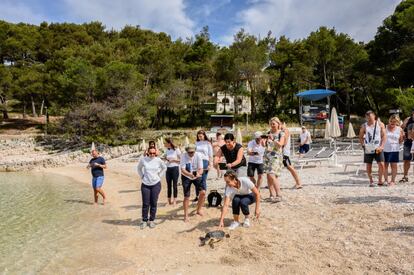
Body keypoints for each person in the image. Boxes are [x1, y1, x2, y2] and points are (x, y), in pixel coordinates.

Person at [137, 147, 167, 229]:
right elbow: (139, 168)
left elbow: (164, 168)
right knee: (146, 203)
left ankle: (152, 220)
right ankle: (144, 220)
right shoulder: (143, 160)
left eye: (154, 153)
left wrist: (159, 176)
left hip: (156, 184)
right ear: (148, 153)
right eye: (151, 153)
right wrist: (142, 176)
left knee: (154, 203)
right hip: (145, 184)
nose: (152, 155)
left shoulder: (158, 160)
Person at [359, 110, 386, 187]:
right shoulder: (364, 126)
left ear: (374, 116)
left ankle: (380, 180)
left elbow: (384, 136)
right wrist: (363, 145)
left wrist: (382, 146)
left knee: (381, 164)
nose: (369, 119)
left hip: (378, 147)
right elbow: (360, 137)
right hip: (368, 147)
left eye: (370, 117)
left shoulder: (380, 124)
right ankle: (371, 181)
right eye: (367, 118)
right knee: (368, 165)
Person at [180, 144, 205, 222]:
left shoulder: (198, 155)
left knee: (203, 193)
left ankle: (199, 210)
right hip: (186, 176)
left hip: (196, 175)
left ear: (195, 151)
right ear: (186, 151)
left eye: (192, 152)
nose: (191, 153)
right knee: (187, 196)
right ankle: (186, 215)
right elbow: (183, 169)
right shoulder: (183, 156)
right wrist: (190, 174)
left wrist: (198, 174)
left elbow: (201, 169)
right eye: (189, 152)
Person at [263, 117, 283, 202]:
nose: (272, 125)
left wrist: (273, 139)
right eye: (271, 124)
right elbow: (265, 145)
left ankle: (279, 195)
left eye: (274, 124)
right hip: (267, 155)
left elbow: (280, 145)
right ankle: (271, 195)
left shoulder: (281, 133)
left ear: (278, 124)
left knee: (272, 174)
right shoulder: (268, 133)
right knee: (268, 176)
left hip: (276, 156)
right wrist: (263, 142)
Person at [281, 121, 303, 189]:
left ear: (284, 123)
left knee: (290, 167)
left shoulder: (285, 131)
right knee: (277, 168)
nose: (280, 125)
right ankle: (272, 182)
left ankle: (298, 183)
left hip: (284, 152)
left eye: (281, 124)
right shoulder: (282, 131)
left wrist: (279, 146)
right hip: (283, 152)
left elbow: (285, 142)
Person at [193, 130, 213, 202]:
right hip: (197, 161)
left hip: (205, 161)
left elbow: (210, 155)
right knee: (196, 178)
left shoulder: (208, 143)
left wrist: (210, 164)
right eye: (198, 136)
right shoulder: (196, 143)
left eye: (201, 136)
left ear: (204, 135)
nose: (200, 137)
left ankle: (203, 195)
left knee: (203, 179)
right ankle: (197, 196)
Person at [383, 115, 404, 186]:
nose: (392, 123)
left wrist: (402, 137)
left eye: (394, 122)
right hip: (385, 149)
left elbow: (401, 141)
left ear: (397, 122)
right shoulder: (385, 128)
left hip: (395, 150)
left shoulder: (399, 129)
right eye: (391, 121)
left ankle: (393, 181)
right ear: (389, 121)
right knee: (385, 165)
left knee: (394, 165)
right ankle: (386, 180)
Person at [164, 138, 181, 205]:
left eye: (166, 143)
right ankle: (168, 200)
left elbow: (181, 159)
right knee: (168, 185)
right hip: (168, 168)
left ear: (169, 143)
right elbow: (165, 157)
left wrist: (173, 160)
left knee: (174, 185)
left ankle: (175, 200)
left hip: (175, 168)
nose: (165, 144)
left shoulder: (176, 150)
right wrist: (165, 159)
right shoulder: (167, 150)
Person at [399, 108, 414, 183]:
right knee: (406, 160)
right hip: (408, 142)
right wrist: (403, 134)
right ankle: (405, 176)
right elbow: (400, 128)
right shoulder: (408, 119)